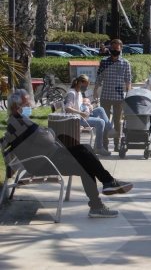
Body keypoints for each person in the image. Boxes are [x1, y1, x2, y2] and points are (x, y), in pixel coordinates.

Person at [3, 89, 133, 218]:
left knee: (85, 148)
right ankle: (100, 199)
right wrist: (48, 132)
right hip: (44, 162)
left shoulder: (18, 121)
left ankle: (108, 184)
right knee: (85, 165)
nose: (30, 106)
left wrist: (47, 132)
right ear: (16, 107)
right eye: (27, 104)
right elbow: (48, 137)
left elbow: (44, 136)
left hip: (49, 156)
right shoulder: (19, 123)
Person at [94, 39, 132, 152]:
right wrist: (95, 90)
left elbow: (128, 81)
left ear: (120, 49)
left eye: (117, 48)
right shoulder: (104, 62)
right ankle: (105, 145)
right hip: (105, 96)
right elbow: (99, 78)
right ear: (110, 49)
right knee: (105, 121)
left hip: (119, 98)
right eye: (113, 48)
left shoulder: (125, 63)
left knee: (117, 122)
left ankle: (116, 144)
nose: (115, 50)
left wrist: (128, 95)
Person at [65, 75, 117, 156]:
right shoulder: (72, 93)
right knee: (101, 122)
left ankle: (110, 130)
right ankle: (98, 147)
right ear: (79, 83)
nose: (86, 87)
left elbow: (80, 104)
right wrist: (81, 113)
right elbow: (67, 108)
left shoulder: (78, 92)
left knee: (100, 109)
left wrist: (88, 105)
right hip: (77, 118)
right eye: (85, 85)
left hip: (83, 114)